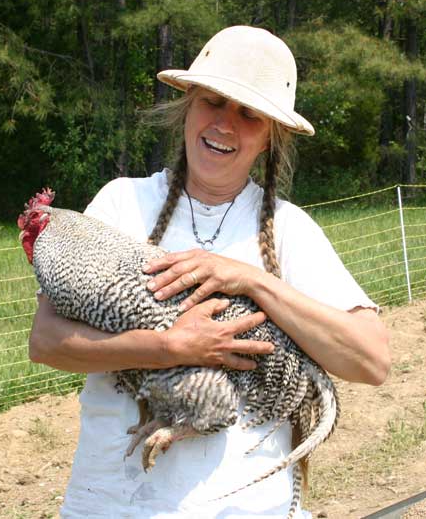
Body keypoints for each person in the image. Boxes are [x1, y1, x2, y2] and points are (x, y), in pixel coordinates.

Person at [29, 26, 390, 518]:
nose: (225, 124)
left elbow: (371, 360)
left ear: (269, 137)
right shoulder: (122, 202)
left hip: (244, 506)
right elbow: (45, 342)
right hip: (112, 501)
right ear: (187, 107)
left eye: (249, 114)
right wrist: (171, 348)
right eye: (212, 102)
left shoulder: (288, 229)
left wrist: (252, 280)